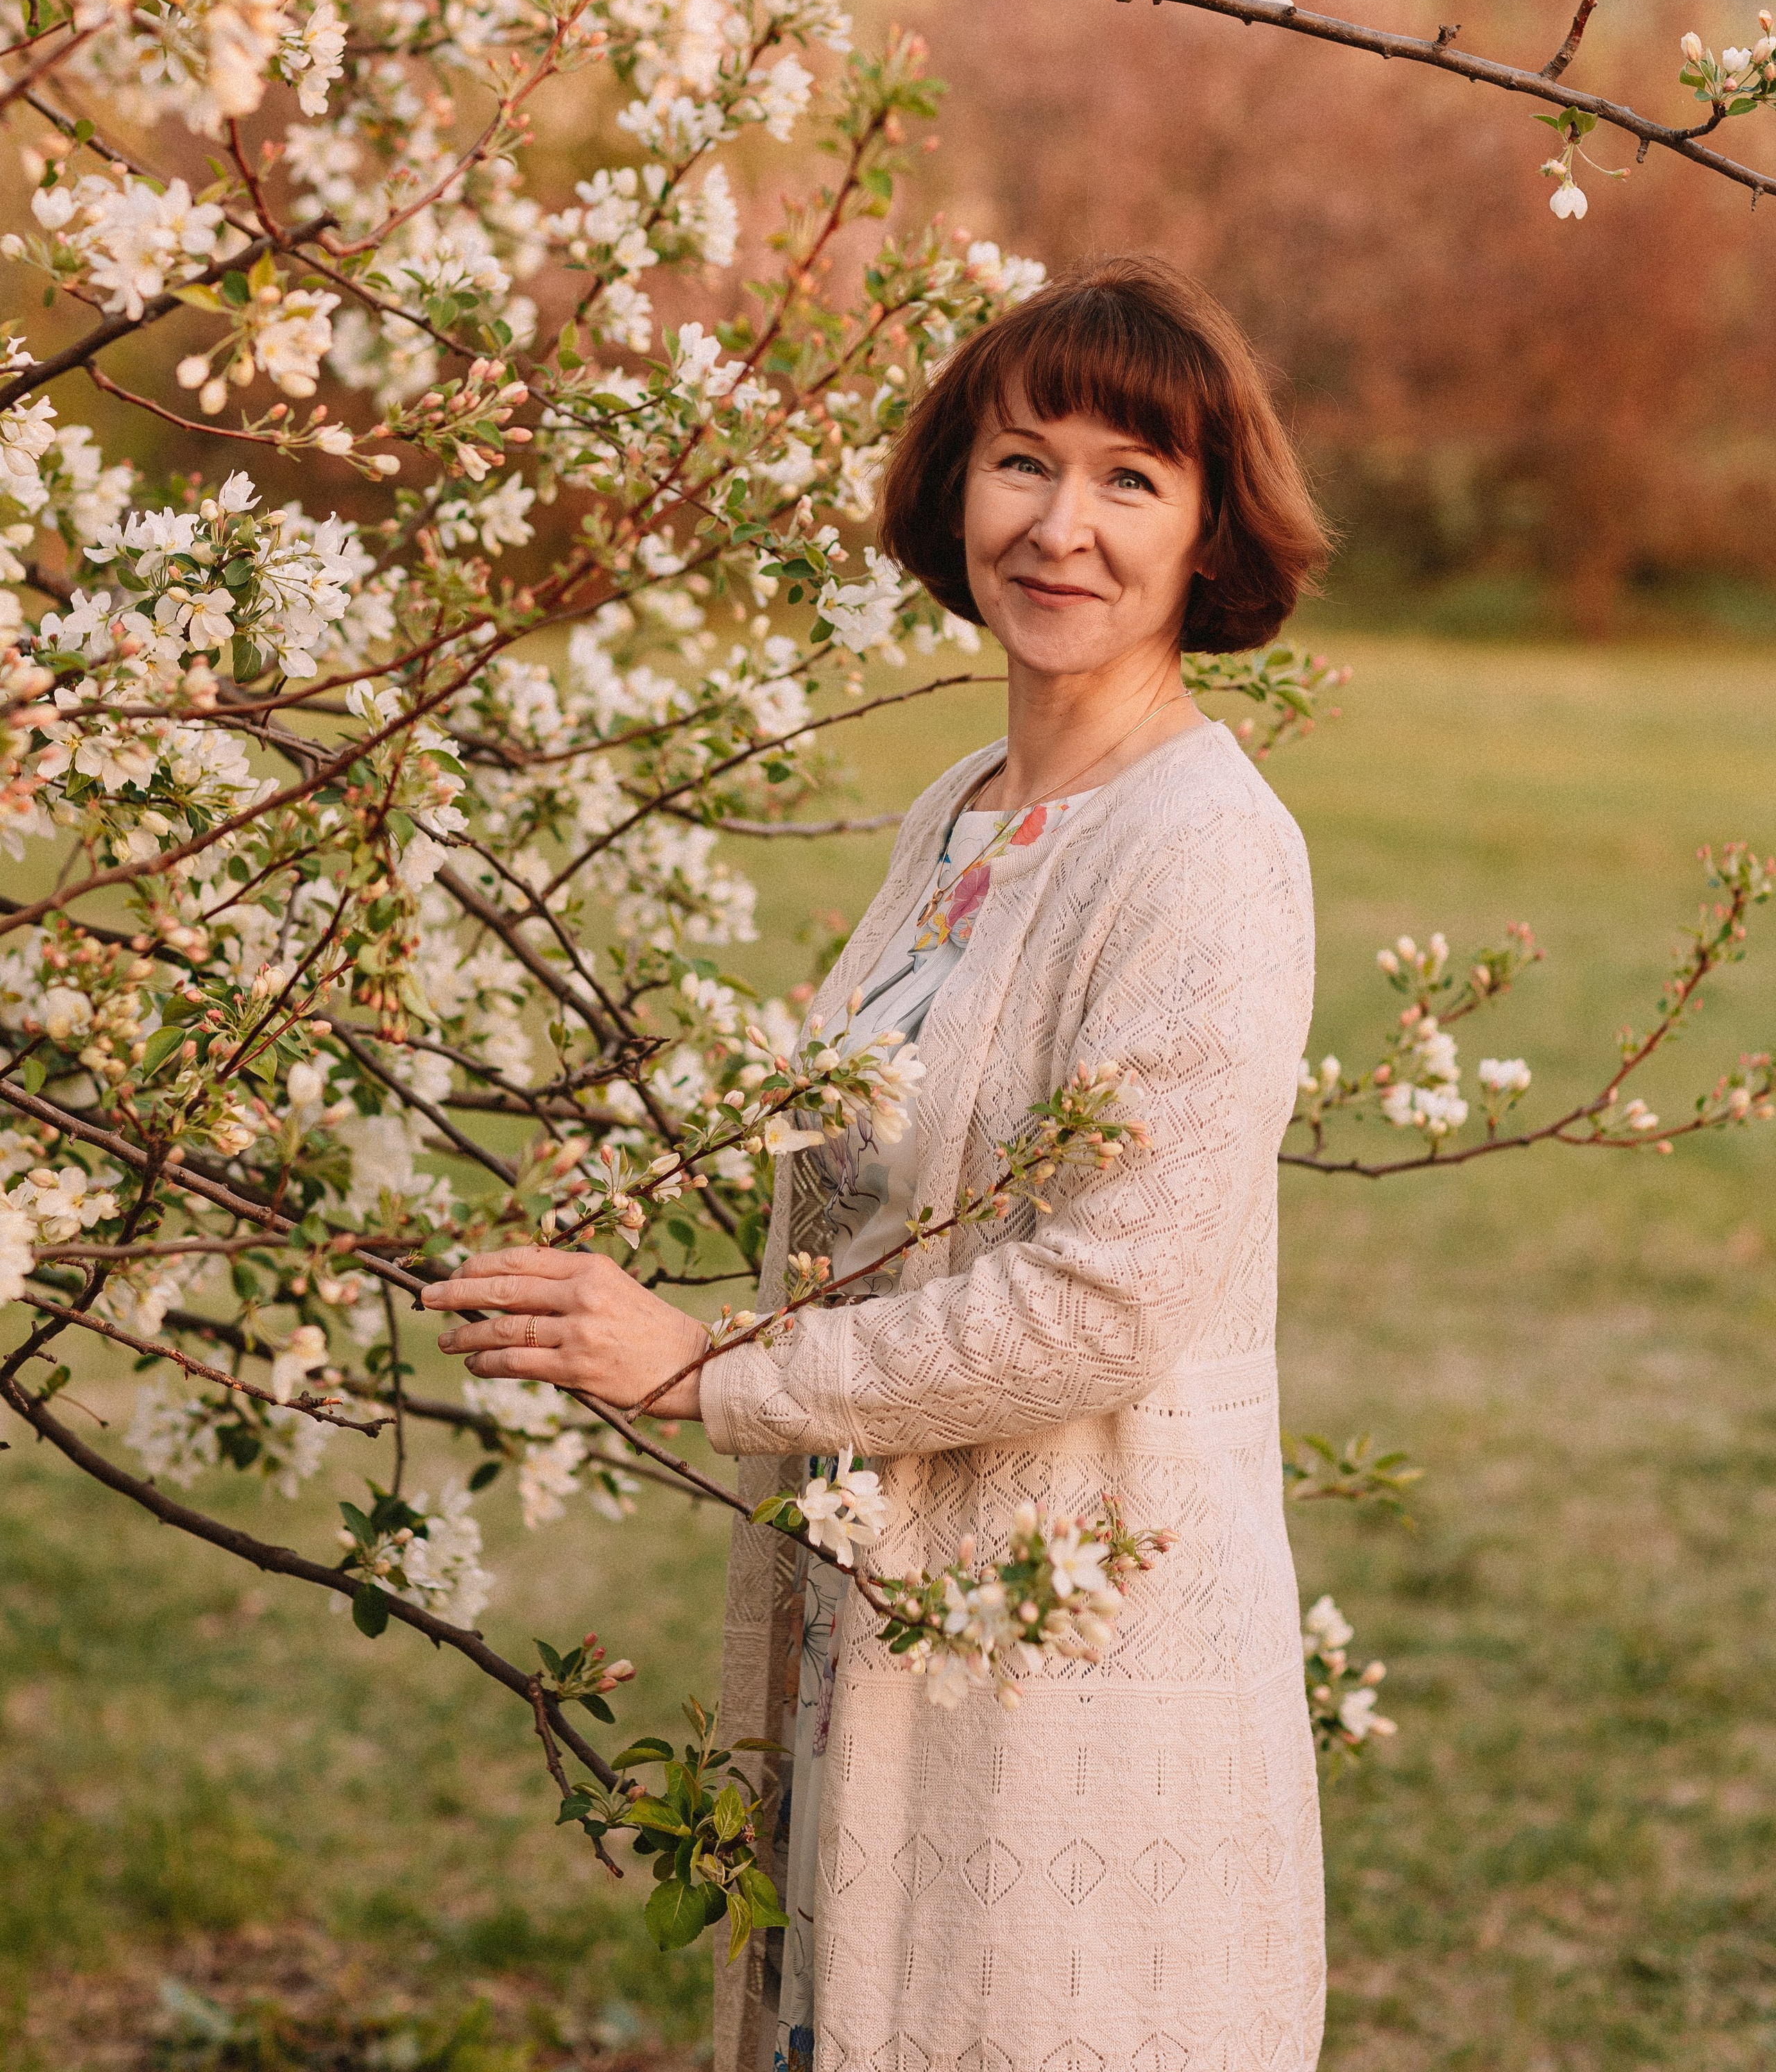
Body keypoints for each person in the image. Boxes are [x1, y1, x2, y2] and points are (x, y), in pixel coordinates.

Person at [425, 257, 1331, 2072]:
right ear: (954, 491)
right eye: (1022, 462)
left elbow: (1107, 1302)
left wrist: (707, 1370)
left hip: (1069, 1648)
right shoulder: (962, 816)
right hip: (877, 1617)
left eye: (1130, 480)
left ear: (1212, 538)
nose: (1061, 524)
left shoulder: (1207, 851)